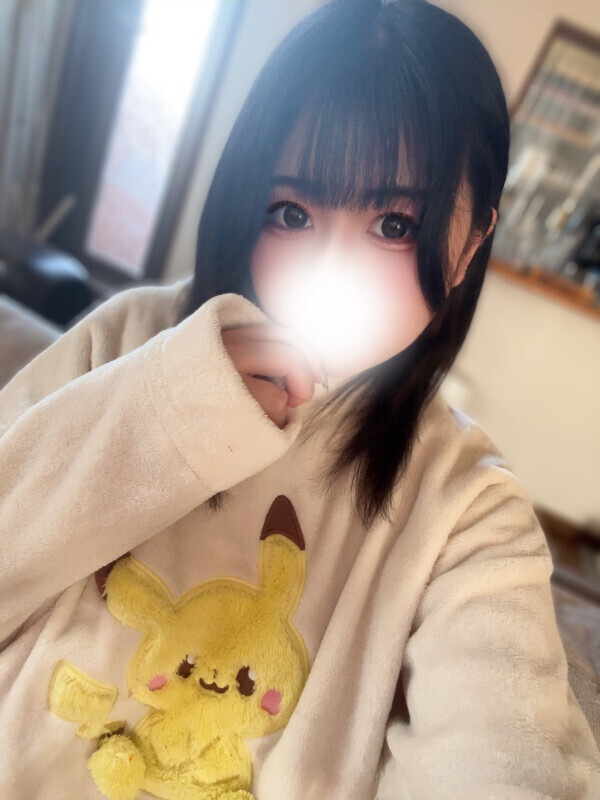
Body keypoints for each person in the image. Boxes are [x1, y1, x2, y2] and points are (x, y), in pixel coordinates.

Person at [1, 0, 599, 798]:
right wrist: (169, 407)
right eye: (292, 212)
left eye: (394, 224)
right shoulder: (129, 338)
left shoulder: (468, 512)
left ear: (468, 245)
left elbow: (506, 758)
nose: (329, 269)